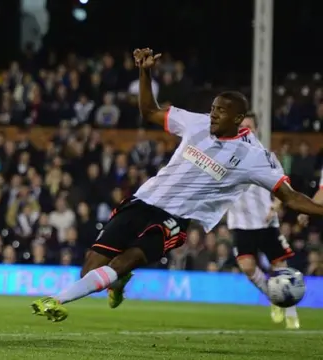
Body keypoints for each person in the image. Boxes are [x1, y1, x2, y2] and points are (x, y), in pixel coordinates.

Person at [31, 48, 323, 322]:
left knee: (129, 259)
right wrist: (144, 73)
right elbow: (149, 112)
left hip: (174, 219)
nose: (213, 114)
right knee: (91, 266)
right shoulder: (196, 123)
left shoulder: (255, 157)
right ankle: (117, 284)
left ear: (237, 119)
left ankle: (55, 301)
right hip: (142, 200)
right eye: (213, 108)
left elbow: (292, 197)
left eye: (221, 111)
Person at [226, 114, 300, 329]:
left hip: (266, 220)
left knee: (280, 266)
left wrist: (276, 205)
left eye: (248, 127)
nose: (244, 131)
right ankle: (275, 298)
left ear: (256, 130)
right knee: (247, 267)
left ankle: (291, 313)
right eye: (241, 127)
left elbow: (282, 187)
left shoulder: (267, 157)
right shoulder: (226, 157)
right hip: (240, 222)